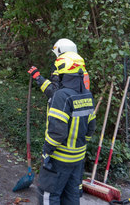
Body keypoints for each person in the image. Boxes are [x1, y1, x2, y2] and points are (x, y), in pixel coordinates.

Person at [37, 54, 96, 204]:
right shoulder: (87, 95)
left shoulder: (62, 96)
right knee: (71, 197)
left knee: (49, 196)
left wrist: (47, 150)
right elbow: (91, 128)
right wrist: (79, 146)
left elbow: (57, 132)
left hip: (59, 158)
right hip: (77, 159)